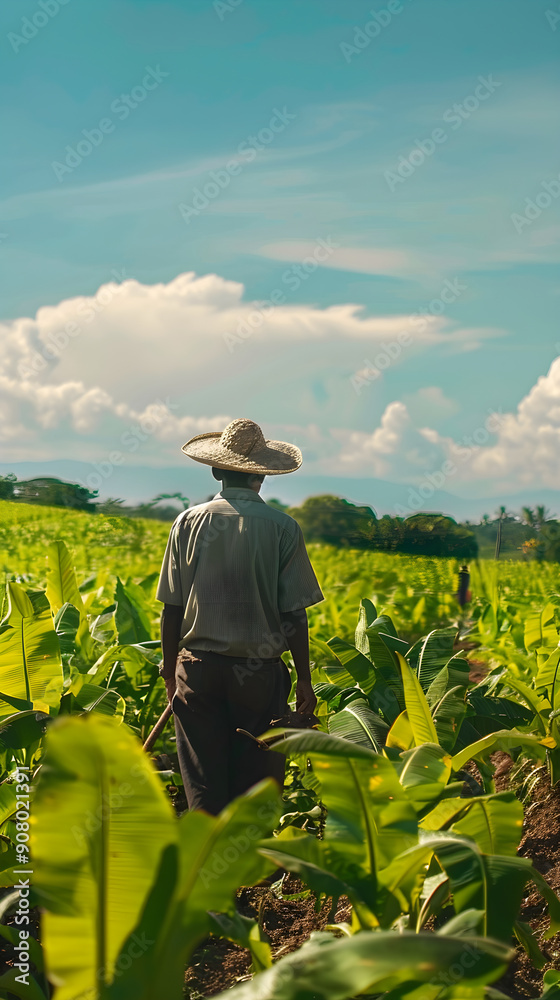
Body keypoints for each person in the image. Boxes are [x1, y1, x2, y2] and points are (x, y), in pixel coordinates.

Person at [156, 417, 324, 815]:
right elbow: (294, 614)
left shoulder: (188, 522)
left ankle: (207, 860)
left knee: (202, 776)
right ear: (262, 477)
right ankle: (251, 864)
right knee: (257, 772)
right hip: (259, 672)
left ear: (216, 471)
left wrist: (169, 668)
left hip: (198, 670)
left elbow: (172, 607)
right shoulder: (283, 527)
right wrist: (303, 678)